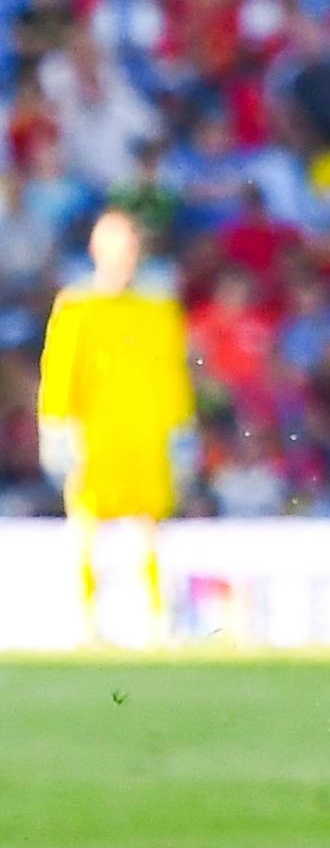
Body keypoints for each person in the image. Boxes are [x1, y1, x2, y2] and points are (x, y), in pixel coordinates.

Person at [37, 209, 198, 646]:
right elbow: (61, 371)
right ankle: (87, 623)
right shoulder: (77, 306)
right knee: (88, 526)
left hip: (147, 433)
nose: (125, 257)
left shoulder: (160, 308)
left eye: (131, 248)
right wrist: (56, 428)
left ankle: (160, 620)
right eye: (116, 247)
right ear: (96, 250)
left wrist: (182, 429)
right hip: (96, 436)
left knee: (151, 526)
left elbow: (174, 372)